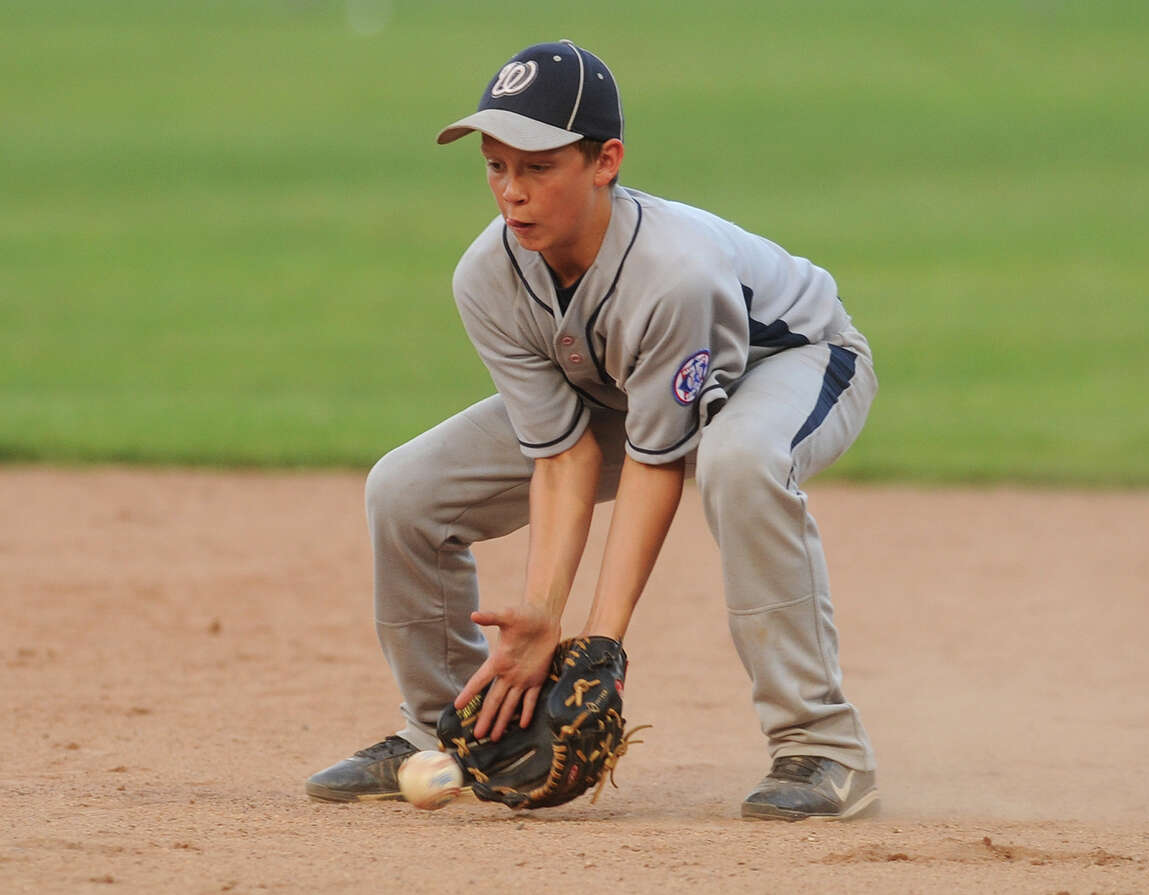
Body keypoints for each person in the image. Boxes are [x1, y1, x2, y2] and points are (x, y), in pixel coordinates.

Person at [306, 39, 880, 821]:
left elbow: (658, 462)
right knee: (406, 490)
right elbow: (563, 451)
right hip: (622, 385)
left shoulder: (674, 273)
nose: (513, 192)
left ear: (605, 161)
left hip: (794, 363)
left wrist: (598, 645)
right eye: (497, 165)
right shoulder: (488, 274)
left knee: (737, 459)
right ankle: (453, 728)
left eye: (539, 168)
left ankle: (824, 746)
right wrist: (544, 613)